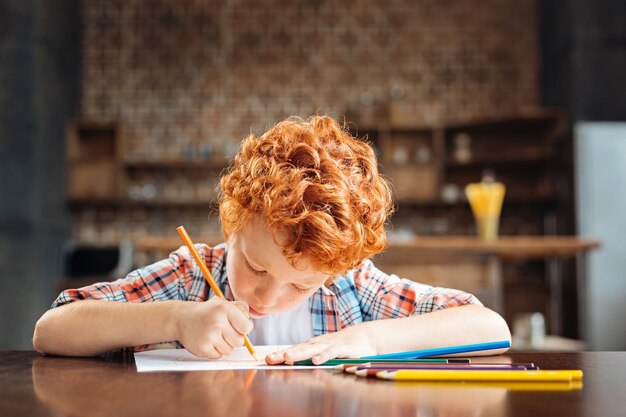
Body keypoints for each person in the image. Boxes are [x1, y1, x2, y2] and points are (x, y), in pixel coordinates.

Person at [33, 116, 510, 364]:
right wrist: (176, 318)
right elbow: (51, 329)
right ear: (232, 225)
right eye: (257, 268)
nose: (267, 296)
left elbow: (490, 328)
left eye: (300, 287)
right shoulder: (187, 275)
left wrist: (368, 338)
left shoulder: (350, 288)